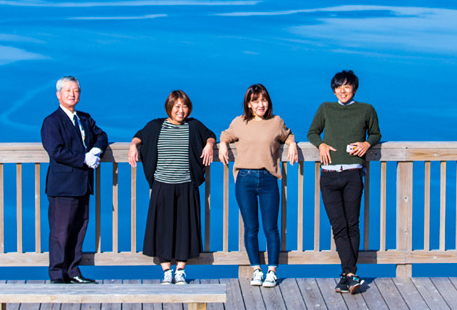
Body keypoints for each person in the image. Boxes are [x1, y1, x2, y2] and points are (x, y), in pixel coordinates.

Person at [127, 90, 215, 285]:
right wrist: (133, 146)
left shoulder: (194, 126)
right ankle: (166, 270)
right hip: (162, 185)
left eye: (184, 106)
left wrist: (209, 145)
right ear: (169, 107)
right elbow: (139, 136)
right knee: (163, 229)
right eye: (176, 106)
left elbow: (210, 135)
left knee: (185, 228)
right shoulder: (156, 126)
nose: (181, 110)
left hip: (186, 184)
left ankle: (180, 270)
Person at [307, 70, 381, 294]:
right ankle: (350, 274)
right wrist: (320, 145)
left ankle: (347, 274)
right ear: (333, 90)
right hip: (329, 175)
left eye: (347, 87)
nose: (342, 91)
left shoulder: (366, 109)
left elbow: (376, 134)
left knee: (351, 224)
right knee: (338, 226)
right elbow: (312, 132)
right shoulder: (325, 108)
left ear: (354, 89)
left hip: (352, 174)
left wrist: (367, 145)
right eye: (338, 87)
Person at [218, 84, 298, 288]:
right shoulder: (240, 122)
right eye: (255, 101)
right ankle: (256, 270)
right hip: (244, 179)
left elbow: (287, 135)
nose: (260, 104)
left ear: (268, 102)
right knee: (251, 228)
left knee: (271, 228)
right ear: (248, 104)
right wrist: (223, 146)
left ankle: (272, 271)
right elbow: (225, 135)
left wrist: (293, 145)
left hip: (268, 178)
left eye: (263, 100)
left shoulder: (276, 122)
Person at [40, 76, 109, 284]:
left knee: (79, 229)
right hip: (63, 187)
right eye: (68, 90)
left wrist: (96, 150)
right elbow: (56, 151)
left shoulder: (84, 118)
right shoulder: (51, 122)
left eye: (76, 90)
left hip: (82, 185)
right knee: (61, 231)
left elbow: (102, 135)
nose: (72, 94)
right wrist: (83, 158)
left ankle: (73, 271)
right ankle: (58, 273)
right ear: (58, 94)